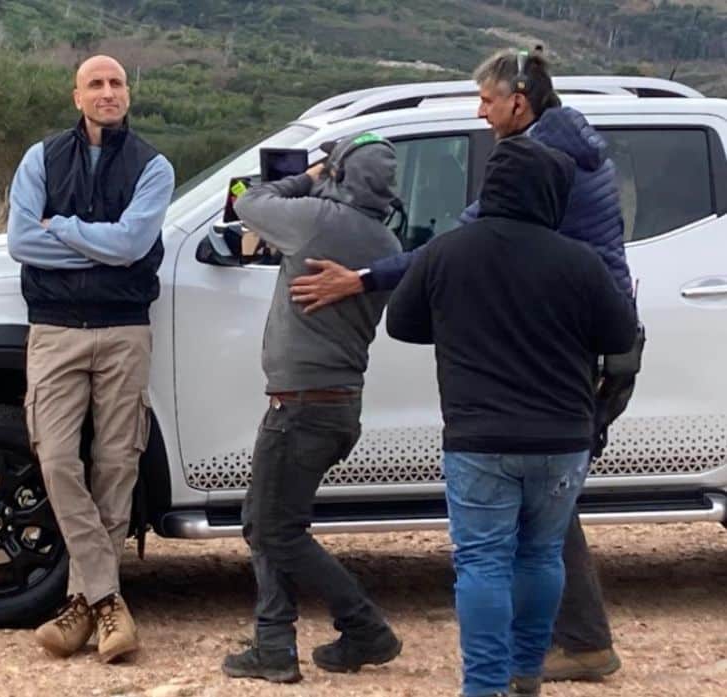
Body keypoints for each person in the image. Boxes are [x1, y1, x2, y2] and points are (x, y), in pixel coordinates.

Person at [290, 48, 634, 682]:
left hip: (555, 346)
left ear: (519, 102)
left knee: (491, 549)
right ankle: (563, 649)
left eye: (486, 101)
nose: (480, 114)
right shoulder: (571, 147)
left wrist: (364, 277)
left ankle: (517, 668)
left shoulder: (538, 164)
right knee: (547, 503)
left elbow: (453, 245)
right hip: (585, 338)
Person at [385, 136, 637, 697]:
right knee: (542, 554)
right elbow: (619, 336)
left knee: (482, 562)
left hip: (479, 439)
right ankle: (528, 673)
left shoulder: (447, 252)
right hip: (562, 439)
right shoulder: (579, 260)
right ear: (551, 193)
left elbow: (400, 324)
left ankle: (484, 687)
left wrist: (453, 322)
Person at [6, 54, 175, 663]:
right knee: (54, 457)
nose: (108, 92)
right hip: (53, 330)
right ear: (76, 96)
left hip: (124, 330)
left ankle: (82, 606)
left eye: (117, 83)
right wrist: (103, 247)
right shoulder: (40, 158)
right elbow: (21, 241)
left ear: (128, 92)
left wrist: (64, 229)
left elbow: (133, 244)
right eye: (96, 84)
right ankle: (108, 601)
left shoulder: (153, 165)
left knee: (115, 466)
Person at [220, 133, 404, 684]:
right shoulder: (386, 243)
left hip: (300, 406)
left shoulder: (316, 220)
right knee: (266, 521)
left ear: (340, 174)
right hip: (336, 405)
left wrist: (307, 175)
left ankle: (362, 625)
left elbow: (244, 201)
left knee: (276, 530)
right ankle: (274, 641)